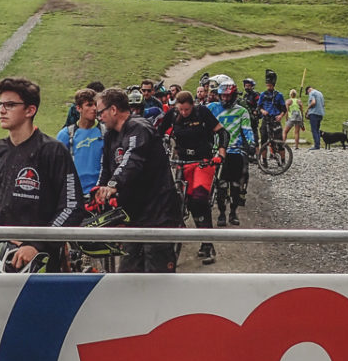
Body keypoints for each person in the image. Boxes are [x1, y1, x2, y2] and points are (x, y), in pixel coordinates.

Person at [0, 77, 83, 271]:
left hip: (41, 262)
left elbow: (72, 207)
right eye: (0, 104)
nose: (2, 110)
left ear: (30, 110)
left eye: (10, 105)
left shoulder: (53, 150)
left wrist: (37, 245)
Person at [92, 88, 182, 272]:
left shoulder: (139, 127)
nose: (99, 118)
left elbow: (133, 158)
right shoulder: (110, 135)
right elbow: (106, 167)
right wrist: (98, 191)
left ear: (114, 109)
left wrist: (113, 185)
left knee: (157, 276)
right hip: (132, 217)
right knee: (128, 274)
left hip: (158, 216)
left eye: (101, 112)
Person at [156, 90, 227, 263]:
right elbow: (157, 134)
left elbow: (223, 133)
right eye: (181, 110)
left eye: (187, 110)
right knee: (180, 201)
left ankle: (208, 244)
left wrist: (221, 153)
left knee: (199, 200)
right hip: (181, 161)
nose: (184, 113)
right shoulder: (172, 114)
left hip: (203, 161)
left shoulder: (202, 112)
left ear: (192, 106)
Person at [207, 79, 254, 226]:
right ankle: (221, 213)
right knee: (220, 185)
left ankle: (233, 212)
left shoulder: (242, 111)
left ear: (233, 96)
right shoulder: (212, 108)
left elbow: (247, 129)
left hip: (235, 152)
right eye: (222, 96)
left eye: (227, 96)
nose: (225, 99)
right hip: (217, 151)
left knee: (235, 186)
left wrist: (251, 144)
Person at [56, 88, 104, 197]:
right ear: (78, 108)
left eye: (95, 105)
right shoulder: (66, 134)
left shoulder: (105, 132)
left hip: (99, 193)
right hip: (73, 194)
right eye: (89, 105)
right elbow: (56, 166)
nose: (94, 108)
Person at [255, 70, 287, 150]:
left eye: (270, 86)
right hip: (266, 119)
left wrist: (280, 116)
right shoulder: (263, 94)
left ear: (273, 85)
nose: (268, 87)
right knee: (263, 140)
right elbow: (259, 106)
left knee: (279, 140)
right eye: (267, 85)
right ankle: (264, 160)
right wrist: (262, 111)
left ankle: (282, 161)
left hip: (275, 119)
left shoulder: (279, 95)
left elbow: (284, 109)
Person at [306, 84, 326, 150]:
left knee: (314, 129)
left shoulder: (312, 93)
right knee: (317, 129)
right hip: (320, 113)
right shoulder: (320, 93)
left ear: (308, 90)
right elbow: (323, 104)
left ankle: (316, 146)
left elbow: (313, 102)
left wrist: (307, 109)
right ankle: (318, 144)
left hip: (314, 113)